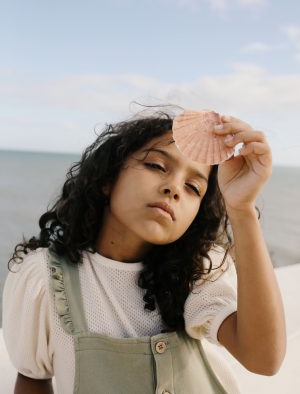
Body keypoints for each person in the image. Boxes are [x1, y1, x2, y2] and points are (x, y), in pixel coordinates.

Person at [2, 109, 286, 394]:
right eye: (157, 166)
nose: (174, 188)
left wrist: (241, 209)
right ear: (108, 178)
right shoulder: (46, 280)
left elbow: (264, 359)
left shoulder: (196, 272)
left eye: (192, 187)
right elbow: (32, 378)